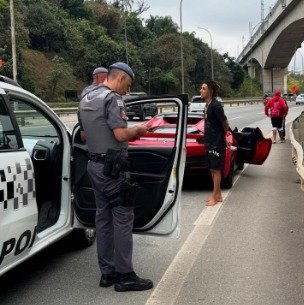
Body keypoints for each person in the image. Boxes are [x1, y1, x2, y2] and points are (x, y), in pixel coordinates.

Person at [78, 62, 153, 292]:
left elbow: (82, 135)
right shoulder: (112, 99)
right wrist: (140, 130)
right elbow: (120, 134)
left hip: (94, 165)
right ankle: (125, 276)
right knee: (122, 218)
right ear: (120, 78)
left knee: (103, 218)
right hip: (113, 168)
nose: (127, 92)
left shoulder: (86, 98)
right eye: (127, 86)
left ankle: (107, 273)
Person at [200, 81, 230, 206]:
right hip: (210, 141)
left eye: (203, 88)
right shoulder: (208, 105)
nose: (200, 90)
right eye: (201, 88)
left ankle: (214, 197)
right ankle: (218, 195)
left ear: (210, 91)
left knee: (216, 170)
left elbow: (225, 123)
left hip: (217, 143)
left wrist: (224, 137)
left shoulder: (216, 106)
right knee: (212, 169)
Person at [78, 67, 108, 141]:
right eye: (107, 77)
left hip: (86, 128)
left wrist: (82, 129)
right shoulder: (104, 91)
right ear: (101, 77)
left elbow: (79, 111)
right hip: (101, 130)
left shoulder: (85, 90)